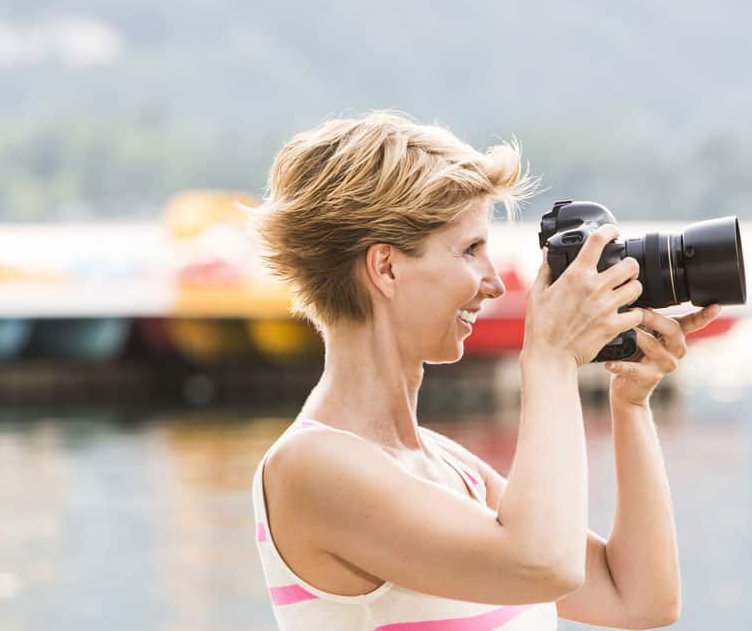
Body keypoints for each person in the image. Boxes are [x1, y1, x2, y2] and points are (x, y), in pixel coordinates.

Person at [248, 111, 721, 630]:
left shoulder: (453, 470)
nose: (495, 283)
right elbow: (543, 565)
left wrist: (630, 400)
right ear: (386, 267)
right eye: (471, 250)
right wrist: (550, 357)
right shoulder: (311, 468)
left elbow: (640, 600)